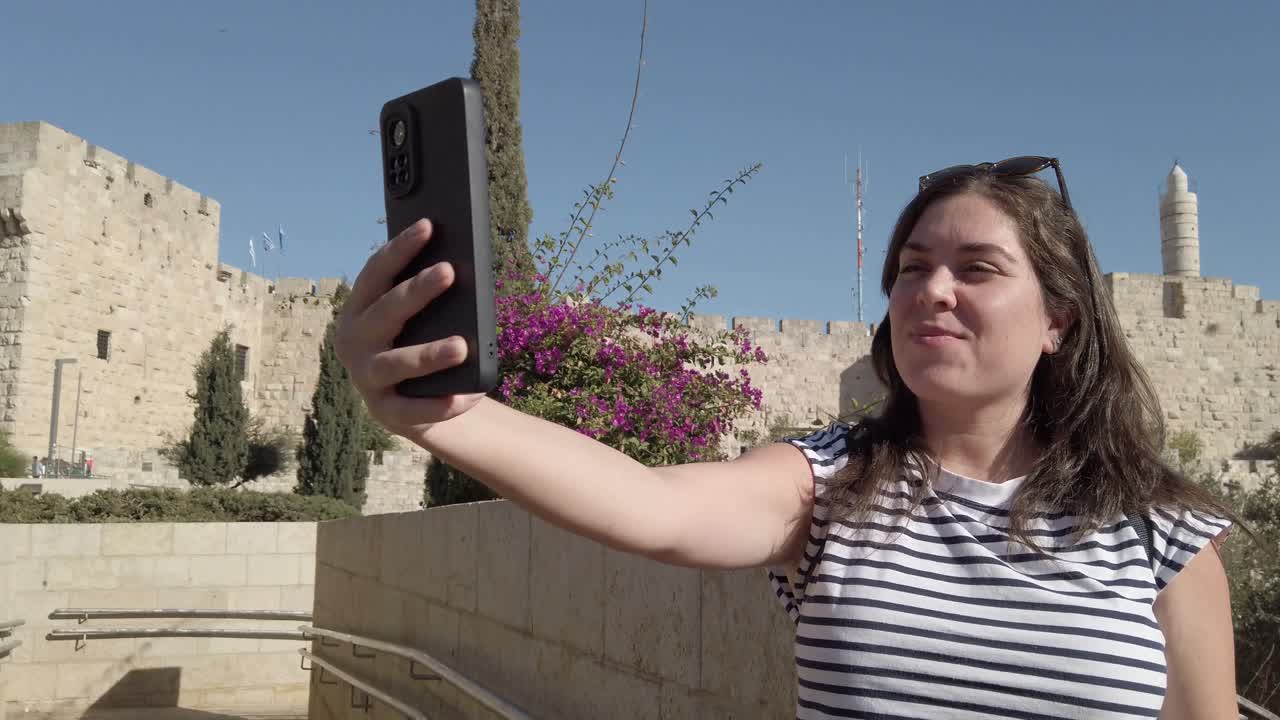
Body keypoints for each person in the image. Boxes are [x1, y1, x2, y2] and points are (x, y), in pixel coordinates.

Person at [336, 156, 1239, 719]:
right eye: (913, 268)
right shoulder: (831, 483)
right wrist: (444, 413)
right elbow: (650, 505)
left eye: (978, 269)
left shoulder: (1161, 531)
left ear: (1059, 323)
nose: (933, 290)